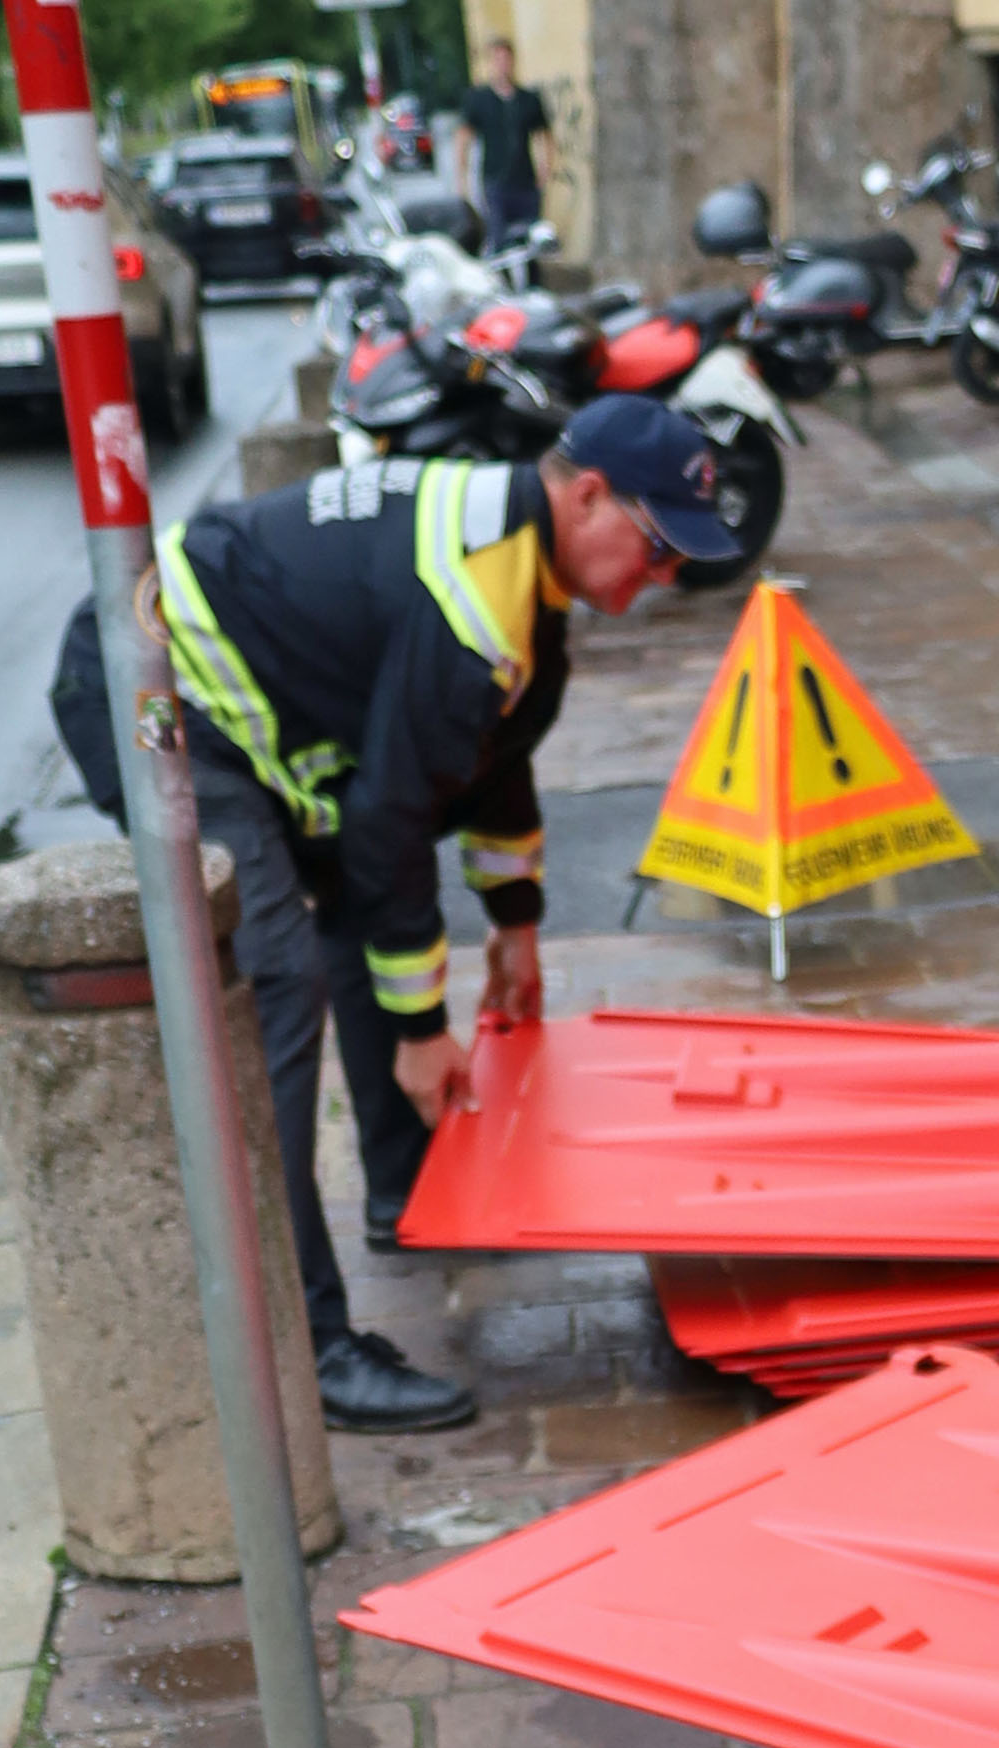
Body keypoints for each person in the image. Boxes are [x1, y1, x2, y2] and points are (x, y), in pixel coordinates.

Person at [50, 398, 742, 1431]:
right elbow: (389, 824)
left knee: (345, 910)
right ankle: (306, 1345)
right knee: (273, 978)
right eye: (655, 548)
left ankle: (404, 1197)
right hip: (145, 689)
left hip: (221, 690)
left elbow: (489, 765)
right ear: (586, 493)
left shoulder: (523, 570)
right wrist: (423, 1034)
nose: (665, 576)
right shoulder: (475, 597)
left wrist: (514, 927)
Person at [457, 41, 553, 246]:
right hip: (495, 181)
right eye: (498, 60)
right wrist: (462, 177)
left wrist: (545, 169)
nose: (502, 65)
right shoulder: (479, 99)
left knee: (530, 239)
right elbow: (464, 136)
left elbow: (544, 134)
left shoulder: (528, 99)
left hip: (525, 180)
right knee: (499, 237)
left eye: (506, 60)